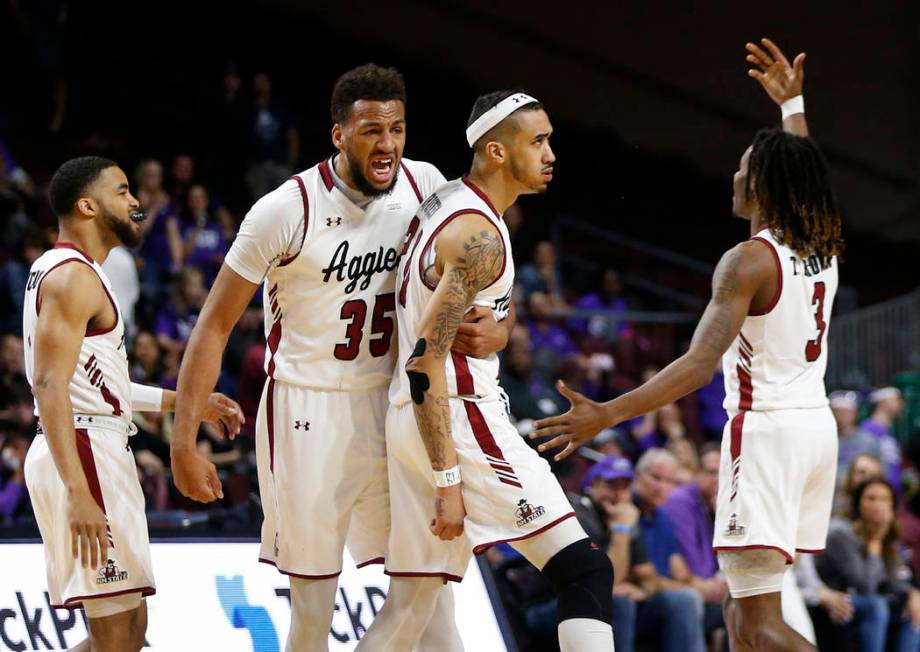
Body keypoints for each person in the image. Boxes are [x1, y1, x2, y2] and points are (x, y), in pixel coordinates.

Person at [169, 64, 509, 651]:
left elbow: (486, 264)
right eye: (372, 130)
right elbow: (213, 326)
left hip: (399, 406)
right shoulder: (284, 208)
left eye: (397, 129)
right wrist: (182, 443)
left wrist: (501, 328)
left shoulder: (426, 184)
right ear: (338, 134)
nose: (388, 145)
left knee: (431, 593)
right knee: (312, 612)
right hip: (308, 413)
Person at [533, 38, 843, 652]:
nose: (735, 175)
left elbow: (700, 365)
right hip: (815, 430)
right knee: (738, 610)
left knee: (756, 624)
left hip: (766, 433)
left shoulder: (748, 261)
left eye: (746, 169)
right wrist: (793, 105)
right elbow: (803, 168)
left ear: (765, 188)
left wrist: (608, 413)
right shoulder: (822, 245)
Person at [377, 89, 614, 652]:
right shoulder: (480, 236)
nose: (551, 153)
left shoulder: (447, 201)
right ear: (496, 152)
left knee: (416, 611)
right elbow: (426, 360)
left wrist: (501, 332)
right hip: (456, 420)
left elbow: (472, 320)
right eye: (537, 141)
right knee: (584, 572)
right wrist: (448, 480)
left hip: (410, 418)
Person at [22, 156, 243, 652]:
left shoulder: (72, 273)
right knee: (115, 637)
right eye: (121, 191)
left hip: (93, 440)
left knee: (130, 633)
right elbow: (48, 384)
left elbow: (106, 386)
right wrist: (79, 490)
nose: (135, 201)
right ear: (87, 205)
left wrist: (192, 403)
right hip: (82, 449)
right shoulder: (71, 278)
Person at [815, 478, 920, 652]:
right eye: (871, 498)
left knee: (913, 610)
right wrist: (874, 543)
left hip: (866, 601)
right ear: (858, 504)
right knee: (876, 605)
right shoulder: (840, 533)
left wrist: (912, 594)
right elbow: (864, 585)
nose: (878, 504)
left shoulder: (887, 533)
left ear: (893, 507)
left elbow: (893, 580)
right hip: (835, 600)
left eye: (885, 499)